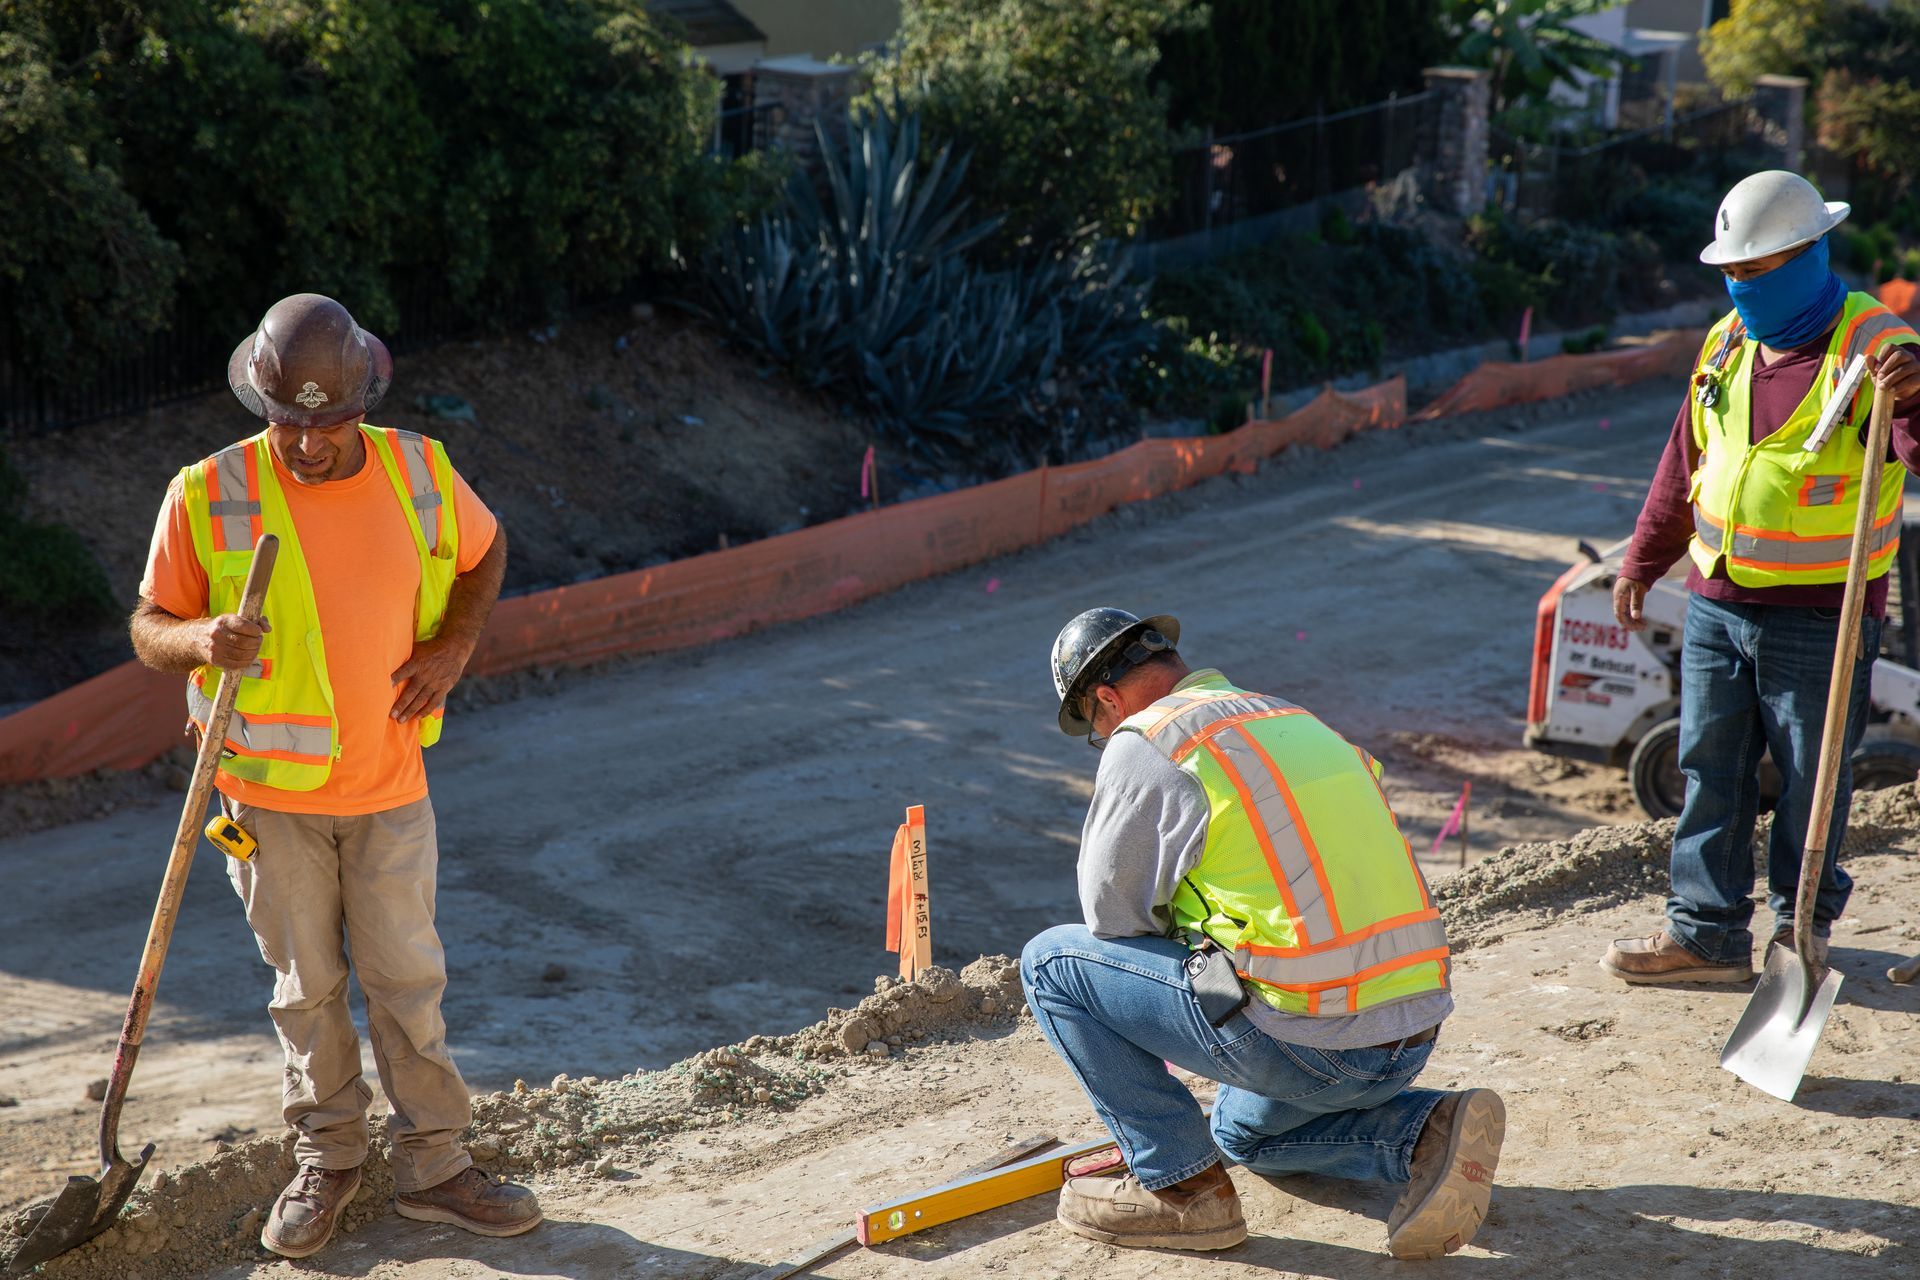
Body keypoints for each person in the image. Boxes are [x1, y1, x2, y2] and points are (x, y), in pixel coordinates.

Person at [130, 294, 536, 1258]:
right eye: (286, 422)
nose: (305, 444)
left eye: (326, 422)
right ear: (259, 403)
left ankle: (435, 1168)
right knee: (304, 992)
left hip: (389, 787)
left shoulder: (420, 471)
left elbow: (487, 554)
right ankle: (330, 1160)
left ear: (364, 402)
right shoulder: (207, 492)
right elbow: (149, 628)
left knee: (408, 984)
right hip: (267, 803)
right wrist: (200, 638)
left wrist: (455, 642)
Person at [1020, 608, 1505, 1259]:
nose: (1106, 738)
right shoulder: (1289, 717)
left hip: (1308, 1045)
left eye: (1095, 727)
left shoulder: (1152, 740)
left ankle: (1184, 1192)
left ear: (1106, 697)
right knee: (1243, 1133)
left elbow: (1114, 923)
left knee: (1052, 963)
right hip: (1412, 1031)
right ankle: (1423, 1129)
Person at [1602, 171, 1920, 986]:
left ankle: (1801, 931)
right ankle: (1706, 936)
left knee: (1816, 783)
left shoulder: (1878, 351)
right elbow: (1685, 462)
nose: (1743, 287)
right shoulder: (1726, 343)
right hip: (1717, 603)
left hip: (1824, 617)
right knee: (1711, 767)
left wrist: (1916, 401)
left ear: (1812, 254)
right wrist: (1645, 557)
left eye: (1759, 270)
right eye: (1733, 273)